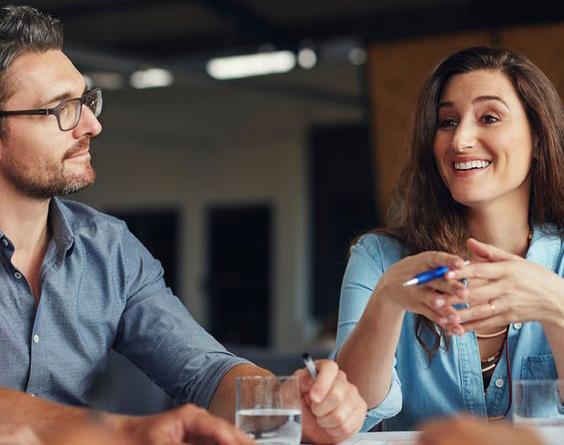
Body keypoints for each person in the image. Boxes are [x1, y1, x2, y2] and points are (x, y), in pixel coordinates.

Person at [0, 5, 367, 444]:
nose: (92, 125)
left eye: (86, 101)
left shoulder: (109, 250)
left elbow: (205, 373)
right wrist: (125, 430)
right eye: (62, 109)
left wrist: (286, 400)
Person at [332, 46, 564, 431]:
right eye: (448, 122)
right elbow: (348, 414)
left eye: (489, 117)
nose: (460, 141)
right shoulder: (379, 259)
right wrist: (388, 301)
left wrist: (556, 305)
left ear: (538, 139)